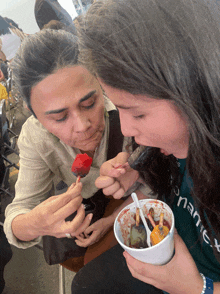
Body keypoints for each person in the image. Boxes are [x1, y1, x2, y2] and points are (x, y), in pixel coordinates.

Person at [71, 0, 220, 293]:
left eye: (138, 113)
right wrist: (138, 172)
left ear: (198, 89)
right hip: (171, 251)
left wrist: (196, 288)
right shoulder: (179, 144)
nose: (126, 129)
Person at [3, 29, 151, 265]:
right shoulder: (36, 137)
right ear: (35, 116)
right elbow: (21, 209)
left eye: (90, 103)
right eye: (60, 118)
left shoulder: (129, 103)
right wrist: (33, 223)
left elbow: (166, 178)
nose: (83, 126)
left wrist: (115, 214)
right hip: (94, 211)